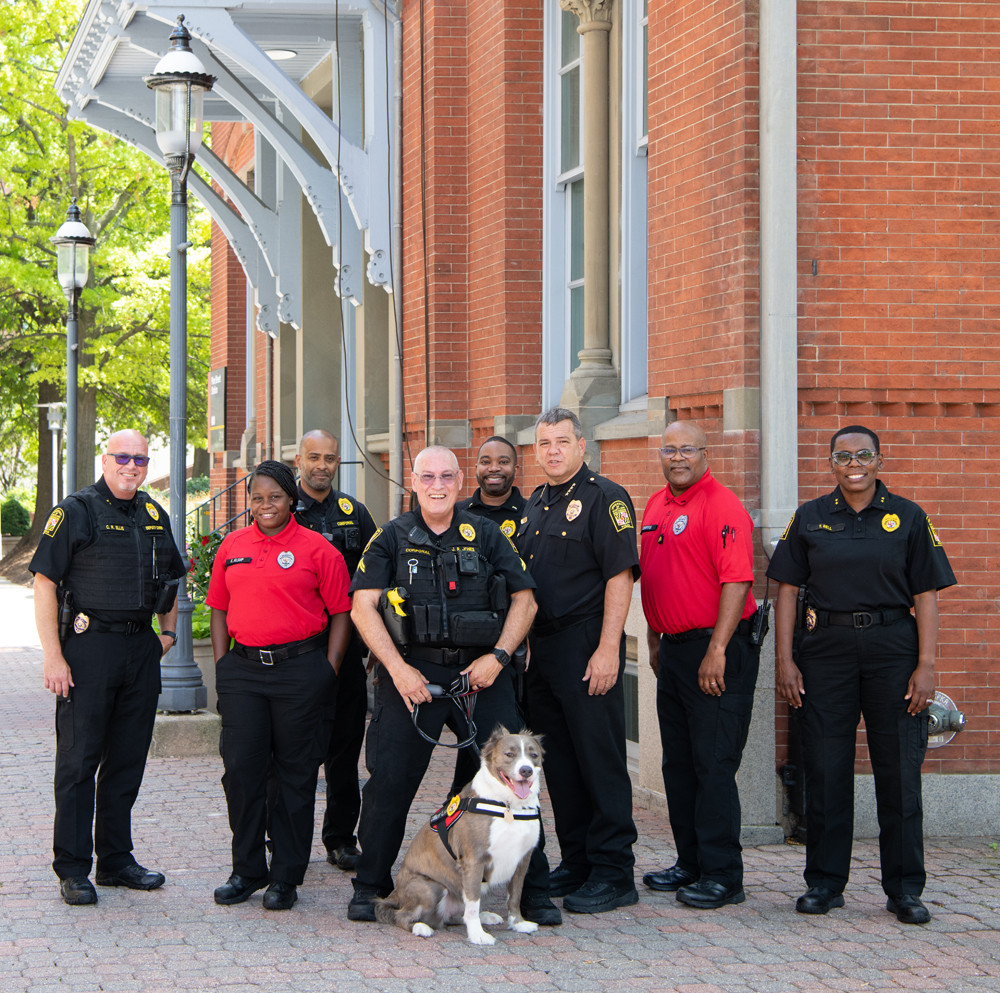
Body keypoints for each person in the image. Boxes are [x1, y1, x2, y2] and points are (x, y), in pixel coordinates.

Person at [347, 446, 558, 925]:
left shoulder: (485, 534)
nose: (437, 485)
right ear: (414, 482)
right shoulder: (391, 537)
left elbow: (525, 601)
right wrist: (397, 670)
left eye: (446, 476)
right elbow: (363, 606)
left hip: (480, 674)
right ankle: (370, 884)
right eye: (428, 477)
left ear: (460, 480)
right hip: (413, 677)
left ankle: (534, 892)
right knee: (390, 783)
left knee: (513, 778)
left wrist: (499, 657)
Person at [766, 426, 956, 924]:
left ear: (879, 460)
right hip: (824, 652)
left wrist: (927, 665)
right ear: (830, 462)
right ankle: (826, 884)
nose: (854, 463)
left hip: (893, 649)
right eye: (843, 455)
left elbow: (927, 595)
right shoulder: (810, 517)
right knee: (827, 771)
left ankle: (904, 889)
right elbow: (785, 588)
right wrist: (785, 660)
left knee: (898, 773)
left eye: (864, 455)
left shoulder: (909, 517)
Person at [31, 429, 184, 906]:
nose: (131, 466)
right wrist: (54, 655)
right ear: (105, 459)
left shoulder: (153, 514)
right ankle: (73, 868)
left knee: (127, 761)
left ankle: (116, 860)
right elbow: (43, 584)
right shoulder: (75, 511)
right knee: (79, 762)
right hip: (88, 648)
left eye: (139, 458)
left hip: (140, 650)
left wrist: (168, 635)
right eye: (123, 457)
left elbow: (172, 580)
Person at [206, 460, 352, 911]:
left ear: (291, 499)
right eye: (257, 497)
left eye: (274, 496)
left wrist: (328, 669)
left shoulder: (317, 549)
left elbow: (341, 612)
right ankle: (247, 870)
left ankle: (286, 876)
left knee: (295, 776)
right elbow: (217, 607)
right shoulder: (231, 545)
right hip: (244, 673)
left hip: (300, 672)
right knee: (242, 775)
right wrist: (222, 665)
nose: (265, 505)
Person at [517, 408, 640, 914]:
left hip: (586, 643)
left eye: (561, 442)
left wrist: (610, 648)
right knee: (561, 762)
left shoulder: (605, 498)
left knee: (600, 758)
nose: (552, 451)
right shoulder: (537, 503)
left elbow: (619, 576)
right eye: (544, 443)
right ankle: (579, 860)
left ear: (581, 445)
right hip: (542, 650)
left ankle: (614, 871)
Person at [639, 421, 761, 909]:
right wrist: (652, 639)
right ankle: (689, 862)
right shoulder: (654, 505)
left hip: (717, 649)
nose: (678, 457)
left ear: (705, 453)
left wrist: (717, 651)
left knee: (713, 765)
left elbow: (737, 581)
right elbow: (651, 577)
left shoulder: (722, 505)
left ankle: (724, 875)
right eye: (670, 449)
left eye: (688, 448)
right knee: (680, 765)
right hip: (672, 649)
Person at [290, 429, 378, 871]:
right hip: (297, 652)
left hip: (346, 656)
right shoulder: (283, 509)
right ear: (298, 460)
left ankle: (341, 838)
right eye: (314, 457)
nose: (322, 465)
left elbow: (376, 575)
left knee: (344, 751)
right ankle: (283, 836)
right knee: (293, 749)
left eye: (329, 458)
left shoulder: (353, 512)